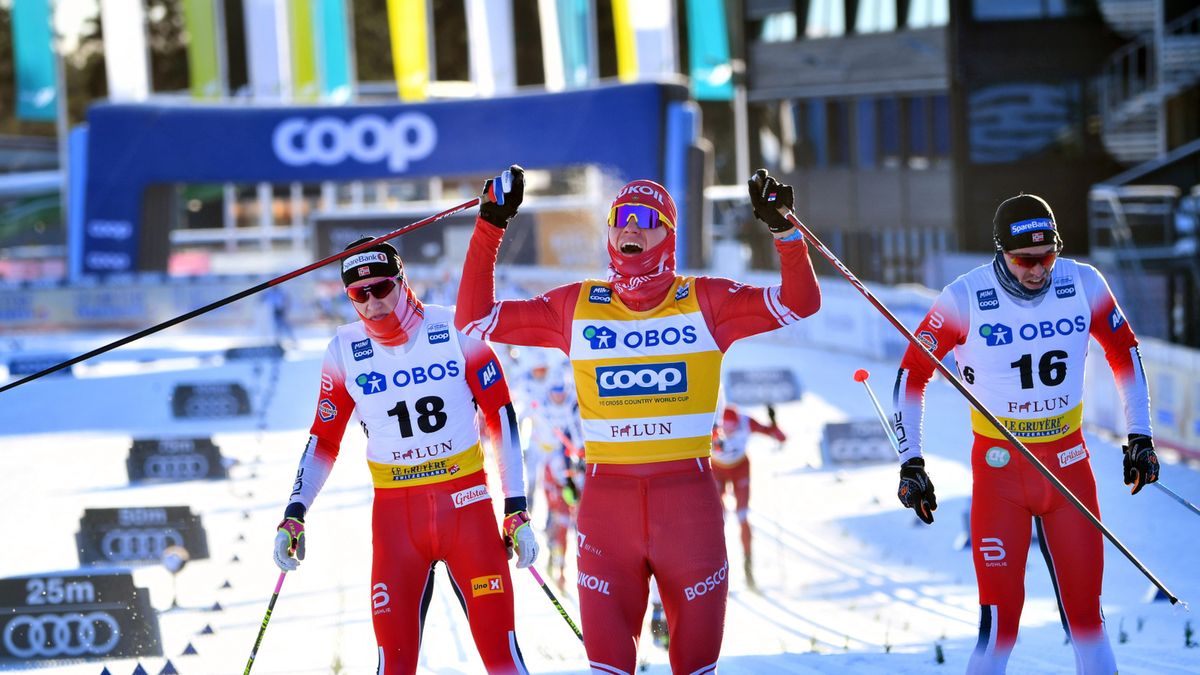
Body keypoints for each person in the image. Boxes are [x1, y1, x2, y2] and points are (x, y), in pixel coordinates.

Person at [455, 165, 822, 673]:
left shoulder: (706, 301)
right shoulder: (577, 306)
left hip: (688, 511)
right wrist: (490, 226)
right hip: (607, 514)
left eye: (647, 219)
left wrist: (785, 231)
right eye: (620, 217)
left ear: (668, 235)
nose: (631, 226)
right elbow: (475, 319)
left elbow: (800, 303)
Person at [890, 194, 1159, 674]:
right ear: (1000, 252)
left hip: (1068, 466)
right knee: (1000, 628)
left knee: (1087, 621)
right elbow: (912, 375)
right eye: (1023, 261)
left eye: (1046, 257)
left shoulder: (1083, 283)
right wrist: (912, 462)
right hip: (1000, 475)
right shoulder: (965, 297)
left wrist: (1140, 436)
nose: (1037, 271)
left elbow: (1125, 353)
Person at [272, 237, 538, 675]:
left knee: (503, 660)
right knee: (392, 666)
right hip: (397, 524)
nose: (373, 302)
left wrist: (516, 506)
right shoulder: (343, 351)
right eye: (360, 294)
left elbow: (501, 415)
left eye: (382, 289)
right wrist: (294, 513)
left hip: (467, 508)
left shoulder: (456, 329)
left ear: (402, 281)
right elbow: (323, 438)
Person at [712, 399, 786, 590]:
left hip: (740, 469)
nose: (729, 433)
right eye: (726, 429)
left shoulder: (746, 422)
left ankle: (748, 569)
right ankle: (715, 568)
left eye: (733, 429)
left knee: (742, 516)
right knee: (717, 519)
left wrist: (773, 421)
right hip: (717, 470)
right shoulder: (712, 424)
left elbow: (779, 436)